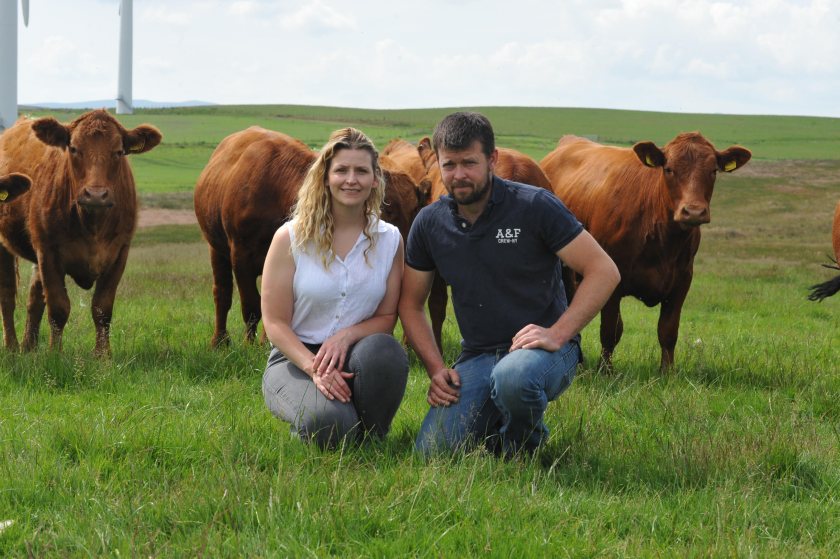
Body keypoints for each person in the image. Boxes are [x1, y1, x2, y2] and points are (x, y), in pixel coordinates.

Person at [399, 112, 620, 456]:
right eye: (449, 164)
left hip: (543, 352)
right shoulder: (430, 223)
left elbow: (604, 271)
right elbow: (411, 304)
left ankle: (521, 448)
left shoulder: (534, 206)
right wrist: (436, 368)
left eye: (469, 163)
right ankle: (495, 426)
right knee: (431, 453)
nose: (459, 175)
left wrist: (558, 333)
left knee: (514, 378)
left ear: (492, 159)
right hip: (478, 356)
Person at [261, 127, 408, 449]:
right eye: (341, 170)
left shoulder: (390, 239)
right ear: (325, 177)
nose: (351, 179)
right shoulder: (291, 238)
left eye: (361, 171)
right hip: (295, 359)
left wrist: (345, 336)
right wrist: (314, 367)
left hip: (358, 357)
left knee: (386, 350)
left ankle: (372, 437)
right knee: (330, 424)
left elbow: (387, 316)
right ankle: (328, 423)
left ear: (374, 179)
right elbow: (274, 323)